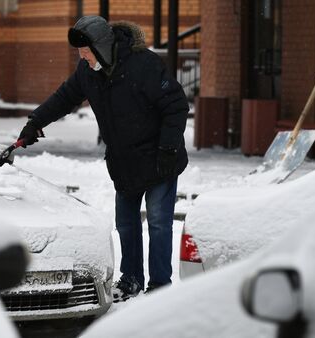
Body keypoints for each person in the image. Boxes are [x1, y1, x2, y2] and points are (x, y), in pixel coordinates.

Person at [17, 16, 189, 302]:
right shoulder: (88, 71)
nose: (82, 57)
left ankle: (160, 286)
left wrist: (169, 149)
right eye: (80, 53)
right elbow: (64, 97)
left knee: (159, 223)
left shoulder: (144, 65)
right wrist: (36, 122)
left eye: (86, 51)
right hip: (125, 161)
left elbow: (176, 106)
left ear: (102, 46)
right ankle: (131, 279)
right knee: (126, 223)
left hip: (160, 157)